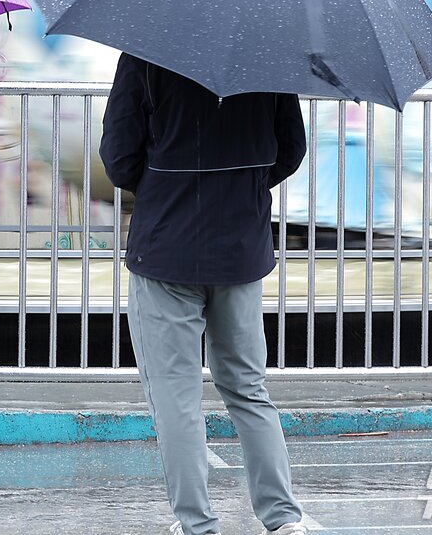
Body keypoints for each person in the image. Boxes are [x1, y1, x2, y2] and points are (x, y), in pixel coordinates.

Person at [100, 55, 308, 535]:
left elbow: (119, 158)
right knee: (248, 388)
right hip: (240, 248)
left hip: (166, 249)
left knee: (176, 396)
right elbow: (290, 149)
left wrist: (163, 187)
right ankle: (282, 517)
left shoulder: (145, 53)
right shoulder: (267, 54)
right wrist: (242, 189)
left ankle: (197, 524)